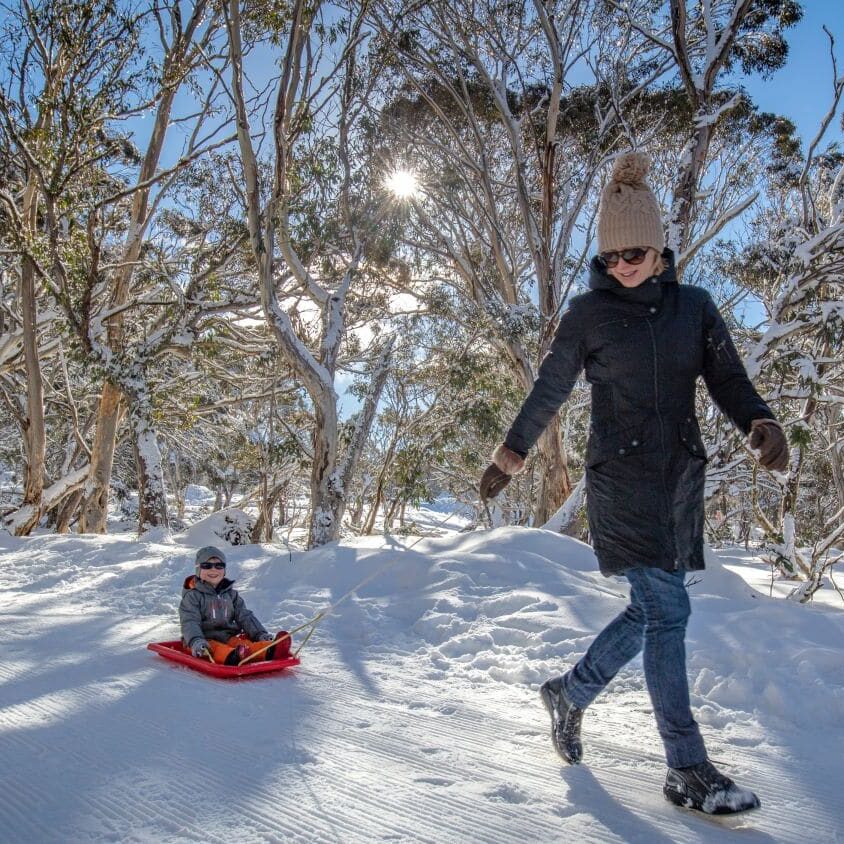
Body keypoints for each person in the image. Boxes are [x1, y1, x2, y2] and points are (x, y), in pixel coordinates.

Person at [480, 152, 788, 816]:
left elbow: (728, 379)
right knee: (669, 612)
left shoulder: (696, 309)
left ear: (660, 247)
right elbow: (551, 387)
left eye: (636, 252)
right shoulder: (588, 316)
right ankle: (686, 767)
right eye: (613, 255)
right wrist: (511, 452)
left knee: (651, 611)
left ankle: (569, 692)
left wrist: (759, 420)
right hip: (619, 479)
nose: (624, 265)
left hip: (678, 476)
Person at [179, 545, 291, 666]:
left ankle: (271, 649)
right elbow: (189, 621)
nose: (213, 569)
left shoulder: (231, 595)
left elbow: (245, 616)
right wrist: (196, 640)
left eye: (219, 565)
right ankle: (235, 657)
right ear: (198, 570)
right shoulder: (193, 596)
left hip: (227, 637)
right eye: (207, 566)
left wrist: (260, 634)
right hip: (202, 641)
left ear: (224, 570)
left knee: (244, 645)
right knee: (215, 649)